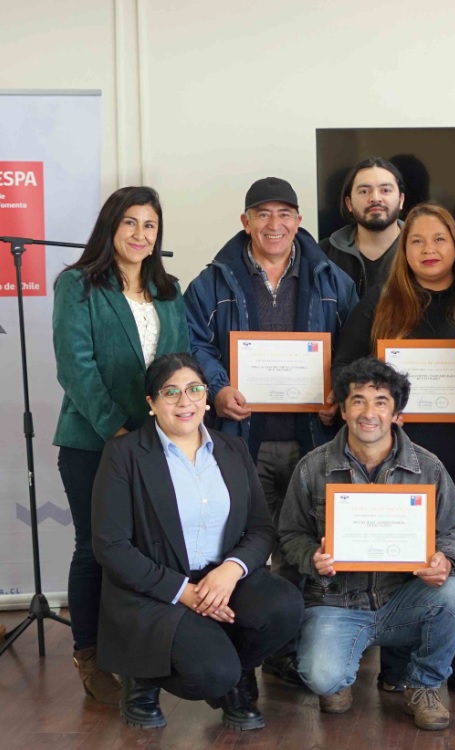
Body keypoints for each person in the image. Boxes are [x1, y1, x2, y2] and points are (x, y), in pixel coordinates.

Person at [184, 176, 357, 683]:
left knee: (307, 546)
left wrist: (338, 393)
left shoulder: (332, 278)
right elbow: (194, 342)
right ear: (245, 222)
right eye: (262, 214)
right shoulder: (212, 280)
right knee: (241, 546)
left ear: (299, 221)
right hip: (242, 442)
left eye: (284, 214)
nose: (274, 224)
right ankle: (244, 649)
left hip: (314, 441)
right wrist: (216, 388)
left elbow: (354, 345)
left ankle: (294, 650)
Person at [333, 203, 455, 695]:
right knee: (400, 561)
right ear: (403, 251)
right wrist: (376, 407)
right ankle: (399, 669)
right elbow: (345, 371)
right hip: (397, 460)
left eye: (439, 240)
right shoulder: (380, 301)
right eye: (417, 241)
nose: (428, 250)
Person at [91, 353, 303, 731]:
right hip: (155, 589)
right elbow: (111, 546)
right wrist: (185, 593)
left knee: (284, 605)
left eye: (194, 389)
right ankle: (144, 677)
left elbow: (260, 529)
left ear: (207, 397)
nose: (184, 401)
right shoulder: (124, 455)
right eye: (170, 392)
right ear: (152, 403)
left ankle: (235, 673)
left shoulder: (232, 449)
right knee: (211, 674)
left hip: (221, 581)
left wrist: (229, 572)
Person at [277, 357, 455, 731]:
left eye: (381, 402)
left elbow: (454, 532)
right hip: (336, 602)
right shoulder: (312, 467)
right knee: (323, 678)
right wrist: (311, 557)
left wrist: (445, 560)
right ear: (343, 410)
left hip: (404, 600)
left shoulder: (429, 468)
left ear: (397, 413)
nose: (369, 413)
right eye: (358, 400)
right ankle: (339, 676)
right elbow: (290, 534)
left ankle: (423, 685)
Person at [51, 186, 190, 705]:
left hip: (159, 443)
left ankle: (138, 653)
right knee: (95, 548)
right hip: (95, 442)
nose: (140, 235)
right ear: (111, 227)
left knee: (148, 552)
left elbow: (180, 364)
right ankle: (88, 653)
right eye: (130, 223)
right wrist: (118, 431)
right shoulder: (79, 285)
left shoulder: (169, 289)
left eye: (150, 226)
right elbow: (76, 368)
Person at [320, 157, 406, 299]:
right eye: (364, 191)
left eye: (385, 190)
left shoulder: (421, 251)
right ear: (349, 204)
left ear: (401, 200)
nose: (375, 198)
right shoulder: (323, 254)